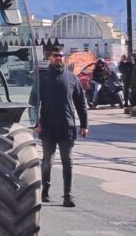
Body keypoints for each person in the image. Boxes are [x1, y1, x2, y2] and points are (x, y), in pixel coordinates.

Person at [29, 46, 89, 208]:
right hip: (47, 127)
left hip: (66, 127)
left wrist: (84, 125)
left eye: (61, 56)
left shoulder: (72, 78)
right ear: (50, 58)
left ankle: (68, 196)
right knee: (47, 161)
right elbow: (33, 102)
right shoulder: (42, 78)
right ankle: (44, 192)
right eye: (56, 56)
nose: (59, 58)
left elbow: (81, 103)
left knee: (67, 161)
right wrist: (35, 122)